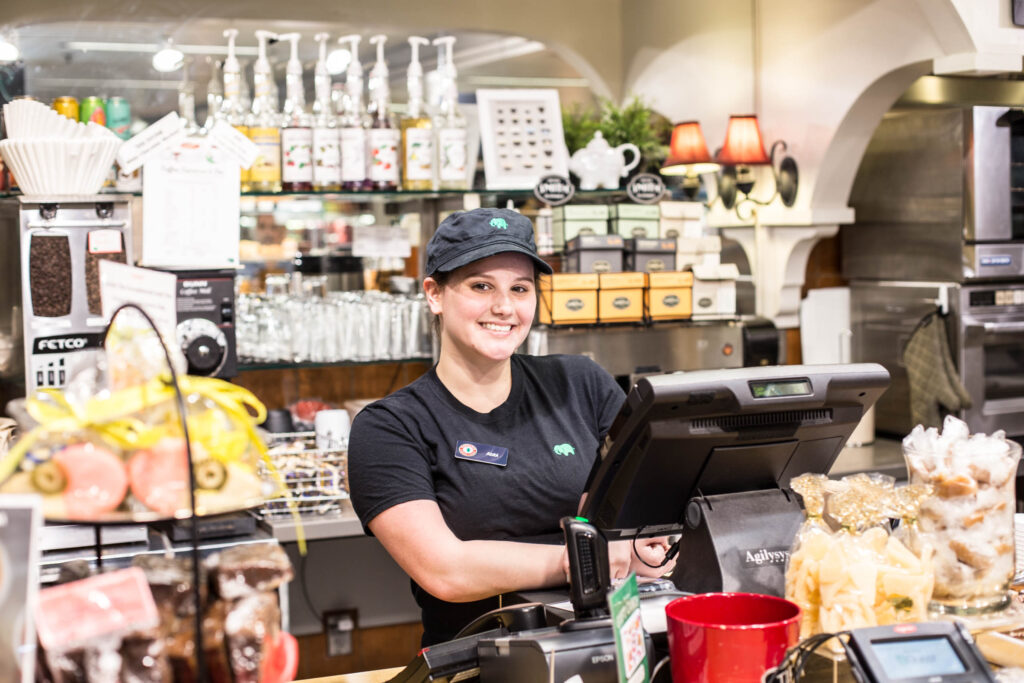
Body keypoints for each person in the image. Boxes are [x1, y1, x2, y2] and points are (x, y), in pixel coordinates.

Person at [348, 207, 675, 646]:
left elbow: (649, 520)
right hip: (479, 661)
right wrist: (587, 559)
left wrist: (644, 545)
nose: (504, 307)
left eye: (520, 288)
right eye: (481, 286)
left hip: (611, 643)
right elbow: (445, 569)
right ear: (434, 294)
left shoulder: (580, 383)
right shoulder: (390, 427)